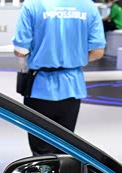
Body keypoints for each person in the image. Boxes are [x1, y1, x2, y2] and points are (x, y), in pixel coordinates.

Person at [13, 0, 106, 155]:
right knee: (65, 147)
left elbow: (20, 50)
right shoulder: (88, 6)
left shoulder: (32, 5)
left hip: (39, 87)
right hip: (72, 86)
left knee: (41, 150)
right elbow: (98, 52)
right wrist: (74, 59)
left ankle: (44, 170)